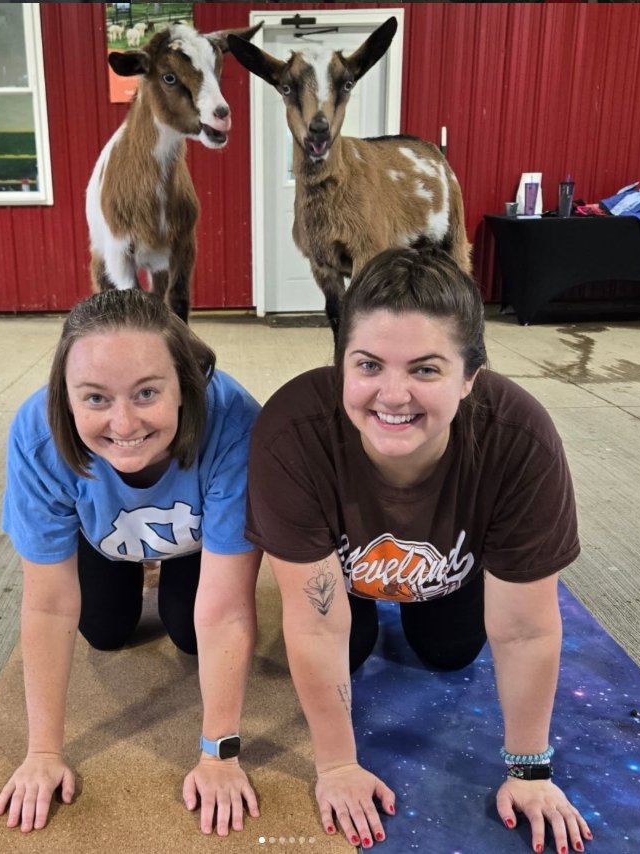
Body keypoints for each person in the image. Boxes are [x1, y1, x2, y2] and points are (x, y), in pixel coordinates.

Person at [245, 247, 593, 853]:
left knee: (451, 651)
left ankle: (426, 611)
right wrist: (336, 766)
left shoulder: (520, 441)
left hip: (449, 575)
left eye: (426, 370)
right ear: (341, 366)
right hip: (344, 577)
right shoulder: (292, 435)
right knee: (345, 650)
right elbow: (317, 628)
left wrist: (530, 769)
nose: (393, 394)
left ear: (469, 378)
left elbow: (527, 631)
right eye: (369, 365)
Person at [0, 288, 262, 837]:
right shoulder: (37, 435)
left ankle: (165, 576)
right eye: (94, 398)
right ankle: (136, 572)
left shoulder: (234, 421)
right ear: (64, 398)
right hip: (105, 540)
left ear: (185, 388)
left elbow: (228, 613)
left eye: (146, 392)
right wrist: (42, 751)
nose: (123, 422)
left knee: (191, 630)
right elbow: (48, 605)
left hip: (194, 542)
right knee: (103, 630)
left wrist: (220, 755)